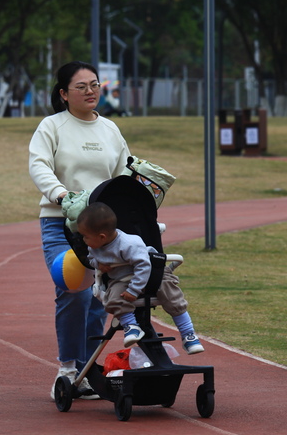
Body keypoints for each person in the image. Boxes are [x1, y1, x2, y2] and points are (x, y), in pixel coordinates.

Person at [29, 61, 132, 400]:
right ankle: (68, 369)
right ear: (63, 93)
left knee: (99, 298)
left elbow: (125, 175)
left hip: (102, 228)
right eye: (81, 86)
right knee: (74, 289)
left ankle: (87, 370)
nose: (90, 91)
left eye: (94, 84)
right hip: (61, 224)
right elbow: (39, 165)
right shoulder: (51, 127)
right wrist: (62, 195)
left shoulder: (111, 130)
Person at [76, 202, 204, 355]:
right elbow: (91, 258)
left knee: (171, 294)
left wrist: (134, 290)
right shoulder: (94, 247)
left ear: (101, 237)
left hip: (152, 273)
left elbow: (144, 266)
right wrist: (99, 264)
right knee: (113, 298)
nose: (83, 240)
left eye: (85, 236)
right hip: (122, 279)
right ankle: (131, 326)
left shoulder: (129, 243)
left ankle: (188, 334)